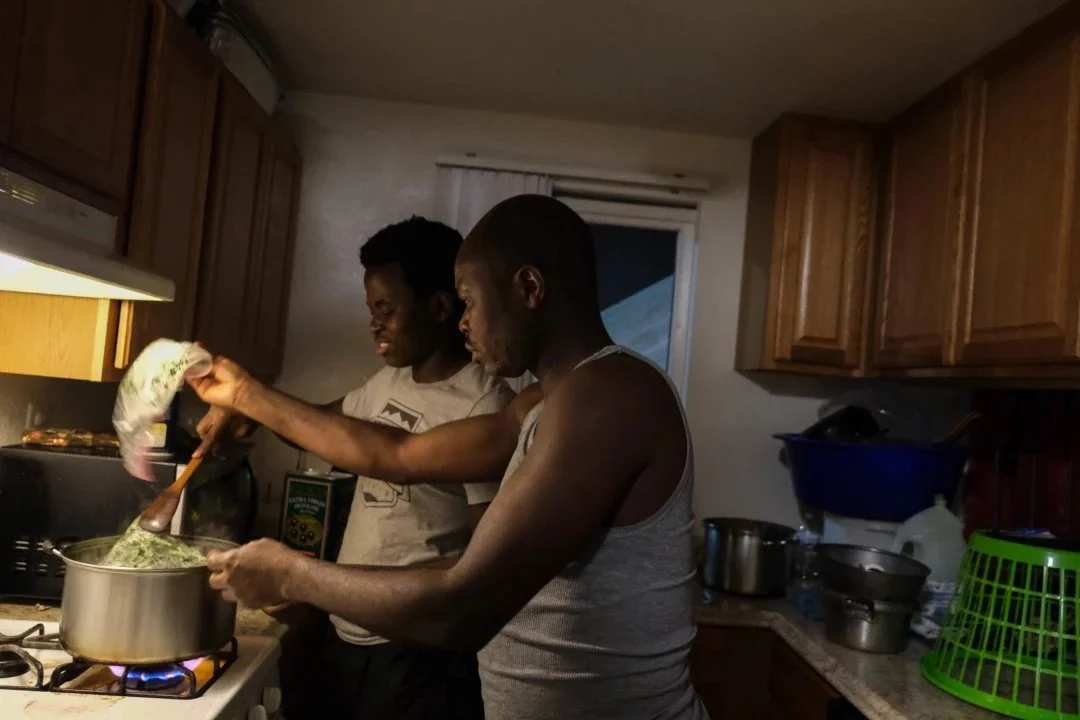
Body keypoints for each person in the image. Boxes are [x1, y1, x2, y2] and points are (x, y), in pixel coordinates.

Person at [192, 195, 706, 720]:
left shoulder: (607, 396)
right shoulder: (542, 404)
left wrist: (293, 576)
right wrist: (248, 396)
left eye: (470, 301)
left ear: (528, 288)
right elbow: (397, 453)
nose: (462, 323)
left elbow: (466, 605)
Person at [206, 216, 514, 720]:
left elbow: (481, 561)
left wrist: (250, 395)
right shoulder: (386, 384)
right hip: (346, 626)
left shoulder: (484, 405)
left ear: (439, 308)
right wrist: (254, 417)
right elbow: (325, 427)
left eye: (387, 309)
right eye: (371, 309)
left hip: (417, 650)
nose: (374, 323)